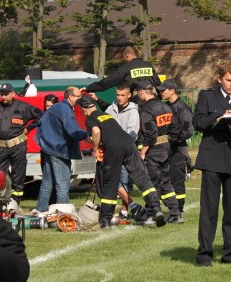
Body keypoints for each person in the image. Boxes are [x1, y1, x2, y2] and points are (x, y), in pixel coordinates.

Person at [193, 61, 231, 267]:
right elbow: (198, 122)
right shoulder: (207, 96)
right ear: (219, 78)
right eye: (229, 80)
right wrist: (218, 118)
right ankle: (204, 255)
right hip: (211, 160)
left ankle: (230, 255)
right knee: (209, 210)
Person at [77, 96, 165, 227]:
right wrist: (91, 139)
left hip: (114, 148)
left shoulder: (90, 118)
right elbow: (107, 133)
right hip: (129, 144)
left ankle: (106, 220)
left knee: (110, 182)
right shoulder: (106, 115)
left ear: (83, 110)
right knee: (141, 177)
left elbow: (96, 131)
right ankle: (156, 209)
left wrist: (94, 149)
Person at [34, 87, 88, 214]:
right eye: (78, 96)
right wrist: (87, 135)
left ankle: (40, 210)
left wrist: (45, 144)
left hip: (49, 149)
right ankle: (63, 214)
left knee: (47, 182)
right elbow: (73, 130)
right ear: (70, 97)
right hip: (60, 151)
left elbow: (40, 124)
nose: (80, 98)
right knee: (62, 184)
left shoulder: (55, 107)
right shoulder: (66, 110)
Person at [134, 80, 181, 223]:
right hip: (166, 150)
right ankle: (175, 213)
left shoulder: (146, 110)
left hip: (153, 151)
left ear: (141, 92)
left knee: (151, 183)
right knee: (165, 181)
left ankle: (153, 213)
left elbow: (151, 134)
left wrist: (143, 152)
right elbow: (175, 129)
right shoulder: (166, 107)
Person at [0, 83, 42, 205]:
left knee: (18, 176)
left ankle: (15, 203)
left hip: (18, 146)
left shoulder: (23, 106)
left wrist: (28, 128)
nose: (3, 97)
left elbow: (40, 115)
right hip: (2, 147)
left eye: (6, 94)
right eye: (1, 94)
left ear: (13, 94)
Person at [158, 79, 193, 216]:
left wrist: (172, 138)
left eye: (163, 90)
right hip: (164, 149)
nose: (161, 92)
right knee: (163, 179)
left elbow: (188, 131)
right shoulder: (164, 107)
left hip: (178, 149)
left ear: (172, 91)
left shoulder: (182, 108)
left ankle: (179, 209)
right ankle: (171, 208)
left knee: (177, 181)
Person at [85, 45, 160, 94]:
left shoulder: (126, 67)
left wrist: (89, 88)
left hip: (137, 100)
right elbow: (157, 83)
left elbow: (110, 80)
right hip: (153, 98)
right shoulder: (148, 65)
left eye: (124, 58)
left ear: (127, 56)